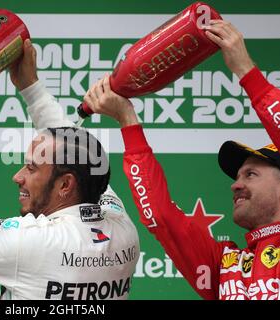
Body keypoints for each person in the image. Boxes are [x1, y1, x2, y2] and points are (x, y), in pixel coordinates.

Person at [0, 39, 140, 300]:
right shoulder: (121, 227)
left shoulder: (32, 243)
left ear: (65, 185)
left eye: (31, 168)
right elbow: (80, 154)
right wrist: (30, 87)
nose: (17, 176)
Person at [83, 19, 280, 300]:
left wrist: (245, 71)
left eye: (250, 174)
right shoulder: (226, 265)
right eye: (238, 177)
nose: (235, 185)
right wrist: (127, 120)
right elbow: (161, 218)